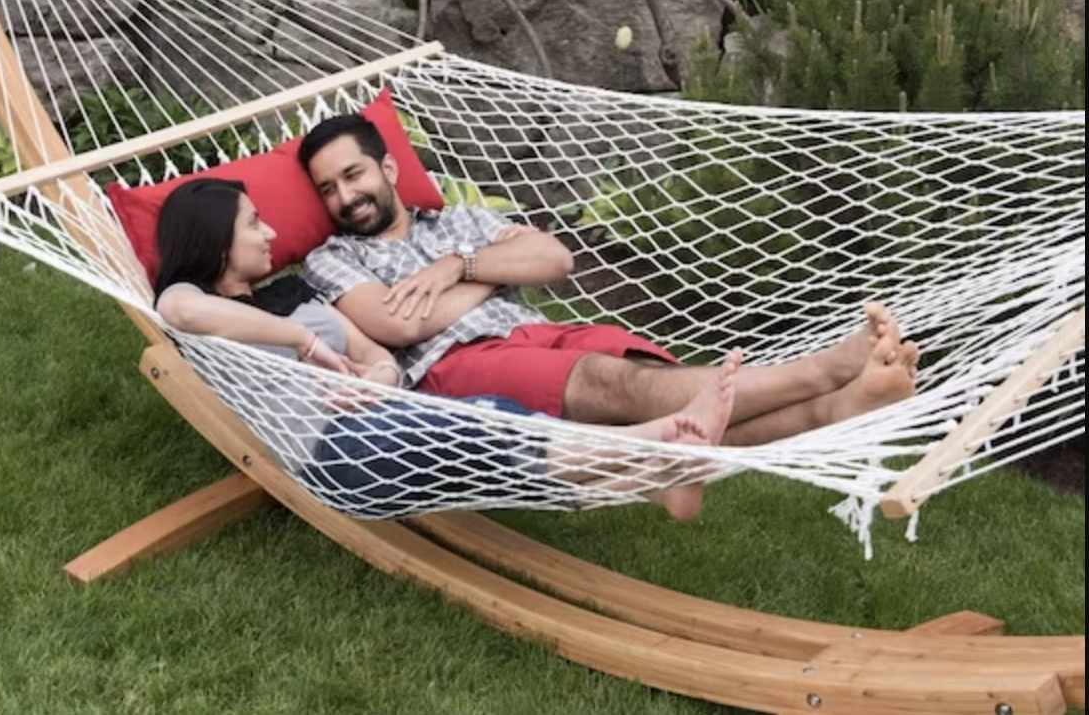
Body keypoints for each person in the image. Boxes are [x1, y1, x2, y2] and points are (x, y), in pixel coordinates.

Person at [297, 114, 921, 447]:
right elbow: (400, 323)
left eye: (353, 175)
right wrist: (488, 269)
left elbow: (555, 259)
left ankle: (836, 408)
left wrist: (456, 265)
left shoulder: (459, 219)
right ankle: (822, 371)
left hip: (538, 331)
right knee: (613, 384)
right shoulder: (329, 257)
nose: (346, 197)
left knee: (658, 392)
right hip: (456, 366)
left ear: (385, 167)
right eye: (329, 188)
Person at [153, 177, 744, 520]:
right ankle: (662, 440)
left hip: (385, 416)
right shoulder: (193, 301)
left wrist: (376, 381)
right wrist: (303, 340)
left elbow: (377, 356)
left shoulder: (295, 291)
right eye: (254, 224)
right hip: (330, 452)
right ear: (215, 239)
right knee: (485, 431)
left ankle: (662, 473)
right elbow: (177, 311)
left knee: (496, 440)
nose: (271, 233)